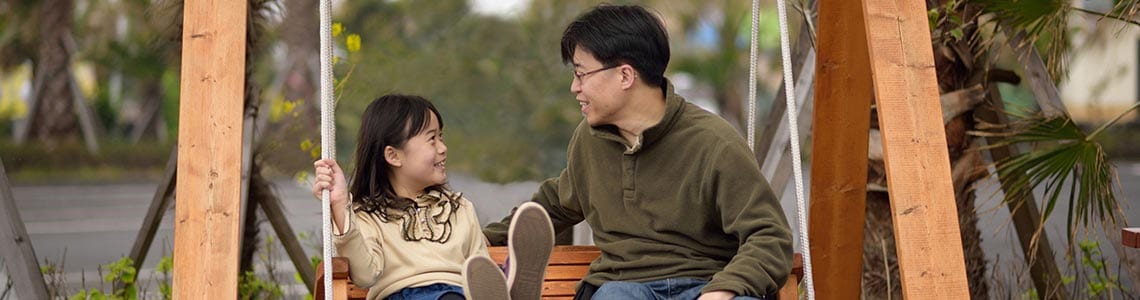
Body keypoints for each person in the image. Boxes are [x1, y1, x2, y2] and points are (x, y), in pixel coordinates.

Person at [482, 4, 793, 300]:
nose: (574, 88)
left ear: (625, 76)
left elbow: (769, 236)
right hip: (623, 285)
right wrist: (482, 239)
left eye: (581, 74)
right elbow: (555, 205)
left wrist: (726, 289)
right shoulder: (588, 141)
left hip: (707, 283)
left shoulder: (714, 143)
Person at [312, 94, 554, 300]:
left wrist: (491, 281)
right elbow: (365, 276)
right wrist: (341, 204)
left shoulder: (459, 208)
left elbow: (479, 271)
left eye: (442, 137)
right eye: (432, 139)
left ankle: (510, 283)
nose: (443, 147)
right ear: (393, 156)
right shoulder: (369, 215)